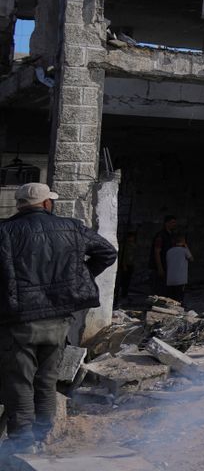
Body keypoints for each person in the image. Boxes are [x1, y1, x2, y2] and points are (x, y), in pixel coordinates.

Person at [0, 183, 117, 453]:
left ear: (20, 205)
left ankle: (22, 443)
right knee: (46, 380)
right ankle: (42, 437)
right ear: (46, 203)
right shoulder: (72, 228)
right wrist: (78, 277)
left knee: (20, 382)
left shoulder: (5, 231)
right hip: (58, 320)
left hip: (19, 322)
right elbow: (107, 253)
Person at [151, 215, 177, 293]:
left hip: (169, 266)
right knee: (160, 289)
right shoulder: (160, 236)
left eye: (175, 222)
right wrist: (160, 268)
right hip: (162, 266)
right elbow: (157, 252)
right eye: (172, 222)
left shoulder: (172, 235)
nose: (174, 224)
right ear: (166, 223)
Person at [164, 233, 193, 303]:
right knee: (179, 298)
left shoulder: (169, 251)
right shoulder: (184, 250)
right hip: (181, 279)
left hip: (170, 279)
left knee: (171, 297)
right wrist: (186, 247)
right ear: (183, 241)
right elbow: (191, 259)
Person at [114, 228, 137, 307]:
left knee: (128, 280)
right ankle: (121, 294)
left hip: (130, 265)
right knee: (123, 280)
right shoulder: (125, 246)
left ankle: (125, 293)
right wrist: (124, 265)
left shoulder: (133, 245)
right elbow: (123, 256)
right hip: (125, 265)